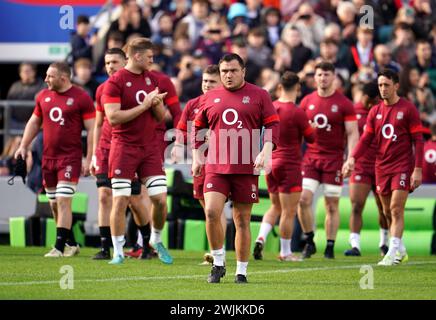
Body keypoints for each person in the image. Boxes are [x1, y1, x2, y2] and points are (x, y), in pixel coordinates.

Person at [192, 53, 279, 283]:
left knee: (241, 220)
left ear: (243, 72)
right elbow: (198, 127)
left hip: (245, 166)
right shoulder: (210, 97)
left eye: (232, 71)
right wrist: (196, 156)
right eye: (224, 72)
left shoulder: (260, 95)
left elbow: (271, 125)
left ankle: (241, 271)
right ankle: (218, 263)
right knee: (211, 212)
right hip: (216, 165)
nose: (228, 75)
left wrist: (266, 150)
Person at [343, 69, 424, 266]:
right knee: (387, 212)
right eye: (380, 85)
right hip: (382, 167)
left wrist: (418, 169)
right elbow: (366, 139)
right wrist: (352, 158)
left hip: (402, 166)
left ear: (396, 86)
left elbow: (418, 141)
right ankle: (401, 250)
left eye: (386, 85)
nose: (382, 89)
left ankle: (392, 253)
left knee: (396, 209)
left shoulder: (408, 109)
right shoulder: (375, 111)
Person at [14, 61, 95, 257]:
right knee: (53, 203)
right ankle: (72, 243)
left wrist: (89, 157)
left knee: (63, 200)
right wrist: (23, 146)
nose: (46, 79)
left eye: (50, 76)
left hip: (70, 158)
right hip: (48, 158)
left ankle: (58, 247)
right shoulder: (43, 96)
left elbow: (93, 128)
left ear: (63, 78)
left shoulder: (81, 97)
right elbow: (34, 122)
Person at [102, 38, 171, 265]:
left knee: (160, 200)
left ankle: (155, 240)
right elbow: (113, 118)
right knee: (120, 200)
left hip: (150, 148)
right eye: (150, 57)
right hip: (124, 147)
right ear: (138, 56)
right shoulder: (115, 82)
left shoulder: (152, 80)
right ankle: (118, 251)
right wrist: (144, 106)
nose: (153, 61)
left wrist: (156, 104)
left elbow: (162, 118)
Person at [90, 48, 154, 260]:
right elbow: (98, 124)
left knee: (133, 200)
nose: (110, 66)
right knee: (104, 197)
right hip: (106, 150)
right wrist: (92, 154)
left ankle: (146, 244)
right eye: (107, 62)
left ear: (125, 61)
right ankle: (105, 247)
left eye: (114, 62)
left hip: (128, 149)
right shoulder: (102, 89)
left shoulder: (135, 85)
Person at [298, 61, 359, 259]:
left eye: (326, 75)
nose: (322, 78)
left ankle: (330, 246)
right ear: (314, 78)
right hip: (311, 159)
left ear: (334, 77)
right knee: (303, 200)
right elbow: (298, 131)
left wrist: (350, 159)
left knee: (331, 205)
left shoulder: (344, 103)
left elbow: (352, 133)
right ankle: (309, 240)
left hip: (333, 160)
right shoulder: (307, 101)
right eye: (319, 75)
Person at [253, 72, 315, 261]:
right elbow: (311, 138)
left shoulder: (272, 107)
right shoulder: (297, 112)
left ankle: (260, 237)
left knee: (274, 206)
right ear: (298, 88)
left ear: (280, 87)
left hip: (271, 163)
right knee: (289, 211)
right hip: (289, 164)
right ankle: (285, 252)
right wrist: (312, 127)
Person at [173, 64, 227, 265]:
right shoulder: (193, 104)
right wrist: (178, 145)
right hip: (200, 163)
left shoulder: (227, 103)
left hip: (223, 163)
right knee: (208, 210)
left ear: (221, 83)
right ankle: (216, 250)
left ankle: (218, 254)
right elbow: (181, 128)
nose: (207, 85)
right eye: (205, 80)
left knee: (217, 210)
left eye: (212, 81)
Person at [344, 81, 390, 257]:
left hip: (380, 165)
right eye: (373, 100)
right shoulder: (353, 112)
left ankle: (384, 243)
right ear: (366, 98)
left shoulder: (382, 111)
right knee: (356, 204)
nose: (374, 104)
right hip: (360, 165)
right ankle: (355, 245)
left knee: (383, 208)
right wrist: (348, 159)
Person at [7, 62, 46, 128]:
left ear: (34, 72)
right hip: (15, 122)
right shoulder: (15, 86)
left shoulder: (42, 86)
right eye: (23, 71)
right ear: (20, 73)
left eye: (28, 71)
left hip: (35, 123)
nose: (26, 73)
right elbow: (8, 104)